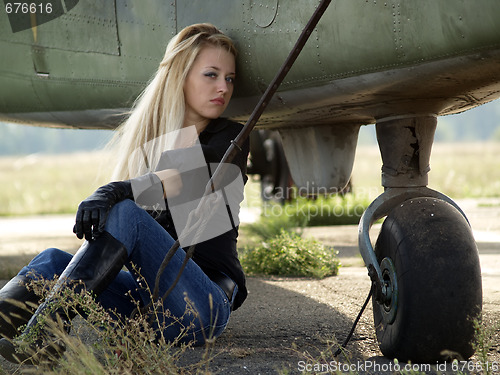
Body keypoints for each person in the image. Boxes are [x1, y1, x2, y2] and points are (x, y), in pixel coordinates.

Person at [0, 23, 249, 364]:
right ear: (179, 76)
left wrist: (114, 190)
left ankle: (45, 328)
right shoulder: (150, 147)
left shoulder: (230, 139)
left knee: (125, 211)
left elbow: (186, 179)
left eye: (230, 78)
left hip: (203, 307)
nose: (223, 87)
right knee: (53, 261)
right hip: (146, 309)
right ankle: (10, 322)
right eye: (211, 75)